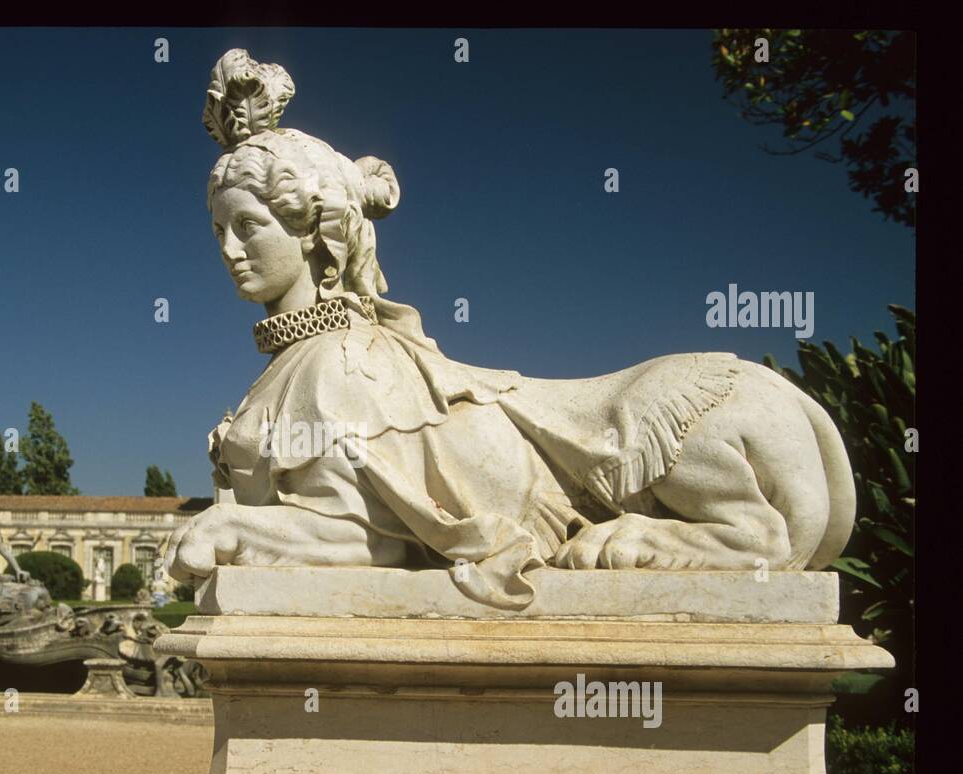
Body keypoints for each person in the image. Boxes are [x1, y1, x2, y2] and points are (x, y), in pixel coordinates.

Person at [168, 50, 855, 609]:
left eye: (249, 225)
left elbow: (361, 541)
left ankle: (742, 535)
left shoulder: (346, 367)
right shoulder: (302, 367)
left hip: (679, 415)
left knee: (645, 422)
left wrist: (227, 525)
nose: (228, 248)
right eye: (219, 229)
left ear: (314, 231)